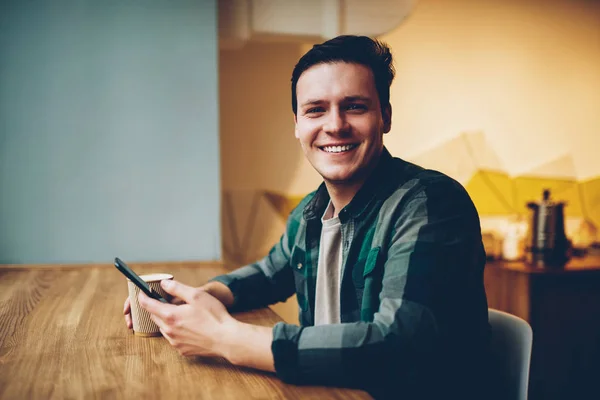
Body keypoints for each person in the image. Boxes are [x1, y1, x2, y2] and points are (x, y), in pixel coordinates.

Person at [124, 35, 492, 399]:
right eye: (316, 109)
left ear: (386, 116)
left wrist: (226, 338)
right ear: (298, 126)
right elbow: (268, 275)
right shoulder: (309, 213)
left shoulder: (431, 203)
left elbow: (396, 345)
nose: (335, 125)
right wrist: (198, 299)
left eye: (355, 106)